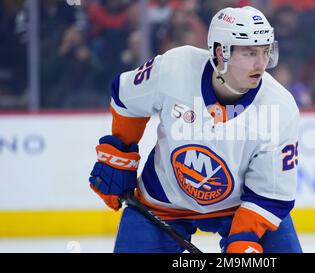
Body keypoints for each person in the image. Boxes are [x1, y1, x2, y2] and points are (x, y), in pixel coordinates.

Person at [89, 6, 302, 253]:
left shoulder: (280, 107)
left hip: (242, 207)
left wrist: (245, 238)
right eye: (250, 53)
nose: (261, 63)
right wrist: (121, 152)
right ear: (221, 52)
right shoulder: (175, 68)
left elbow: (270, 194)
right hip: (163, 203)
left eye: (266, 52)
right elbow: (127, 95)